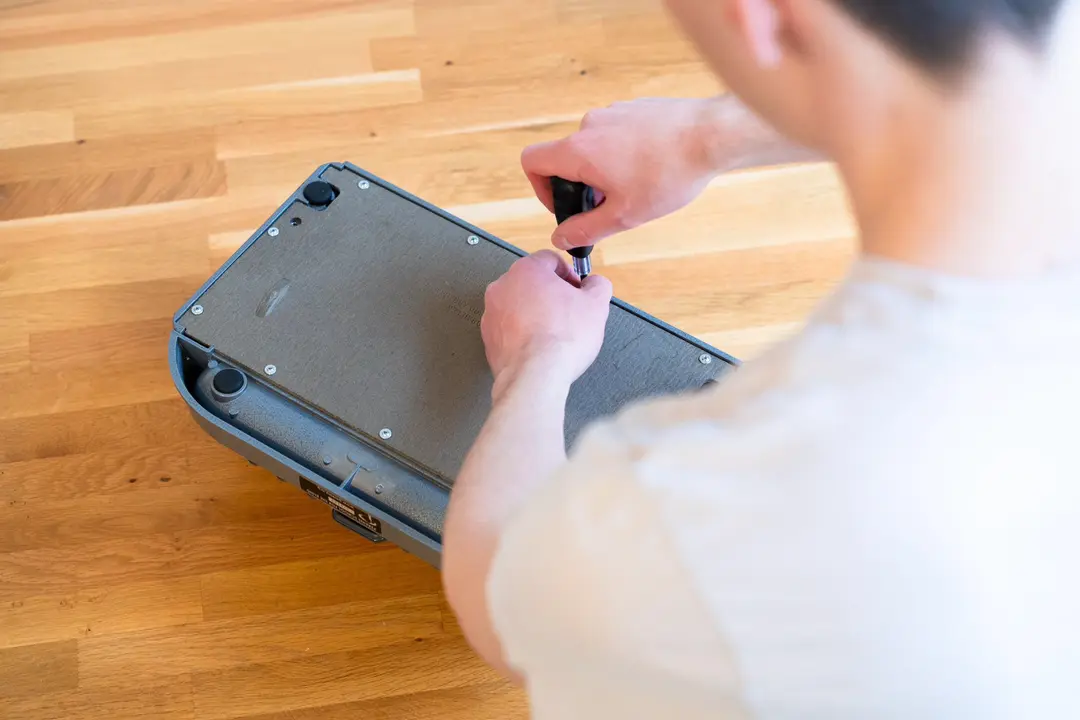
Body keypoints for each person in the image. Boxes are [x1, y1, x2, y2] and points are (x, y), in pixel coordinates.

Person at [443, 0, 1080, 717]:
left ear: (755, 16)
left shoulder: (736, 511)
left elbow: (500, 594)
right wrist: (704, 137)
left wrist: (537, 360)